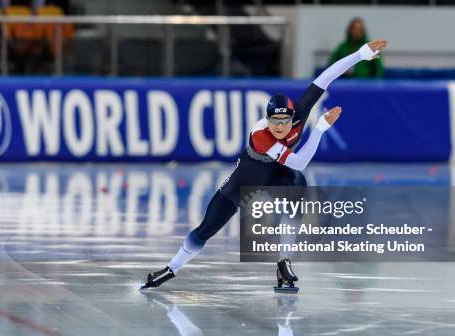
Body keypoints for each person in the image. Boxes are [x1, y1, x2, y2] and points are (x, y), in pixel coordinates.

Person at [141, 39, 389, 290]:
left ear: (294, 118)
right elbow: (299, 161)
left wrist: (360, 54)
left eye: (284, 121)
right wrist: (321, 128)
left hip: (276, 173)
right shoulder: (262, 136)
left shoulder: (299, 114)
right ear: (267, 119)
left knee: (296, 189)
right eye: (274, 121)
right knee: (207, 229)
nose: (280, 127)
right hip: (245, 180)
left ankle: (284, 262)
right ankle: (172, 268)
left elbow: (326, 77)